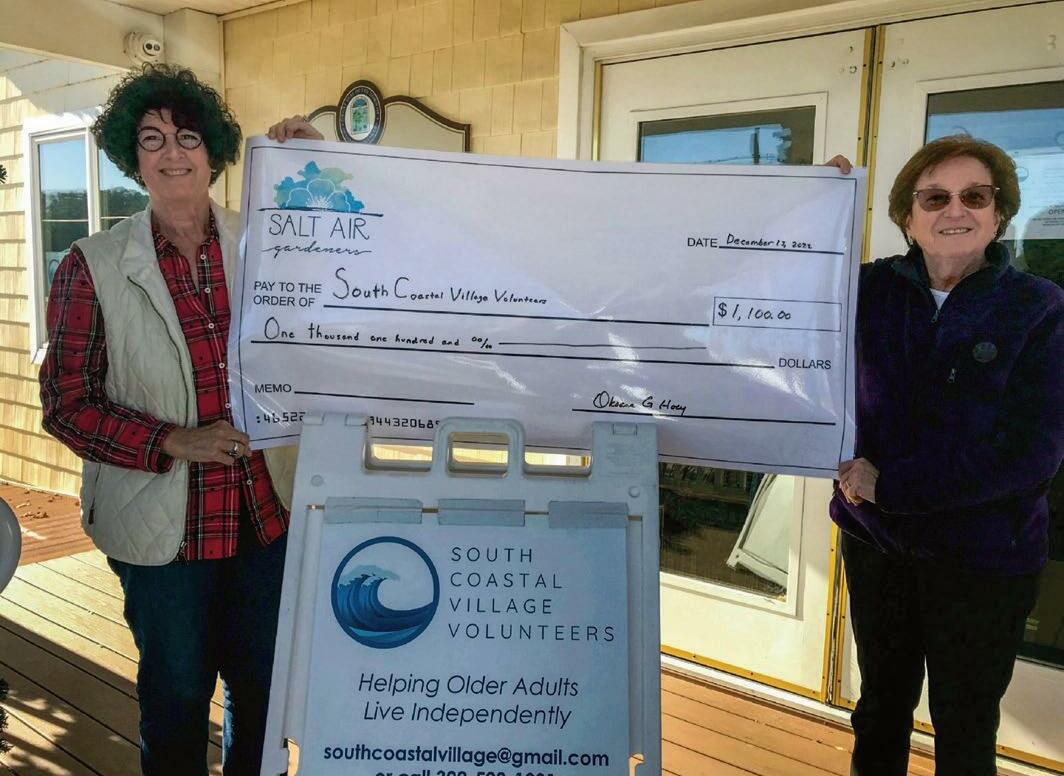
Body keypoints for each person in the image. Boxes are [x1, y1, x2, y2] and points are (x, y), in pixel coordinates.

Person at [39, 64, 323, 775]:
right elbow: (67, 402)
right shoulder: (93, 265)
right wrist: (172, 439)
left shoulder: (269, 242)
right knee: (175, 703)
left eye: (188, 136)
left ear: (214, 151)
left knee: (265, 700)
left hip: (267, 520)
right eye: (152, 138)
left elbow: (355, 279)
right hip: (164, 534)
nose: (173, 153)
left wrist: (314, 167)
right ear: (132, 158)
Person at [828, 137, 1063, 775]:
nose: (955, 210)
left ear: (998, 214)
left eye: (975, 196)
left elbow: (1031, 453)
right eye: (934, 198)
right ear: (907, 217)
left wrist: (892, 485)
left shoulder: (1038, 308)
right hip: (877, 545)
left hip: (985, 558)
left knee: (964, 726)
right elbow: (777, 298)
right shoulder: (868, 290)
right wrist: (811, 202)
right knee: (880, 709)